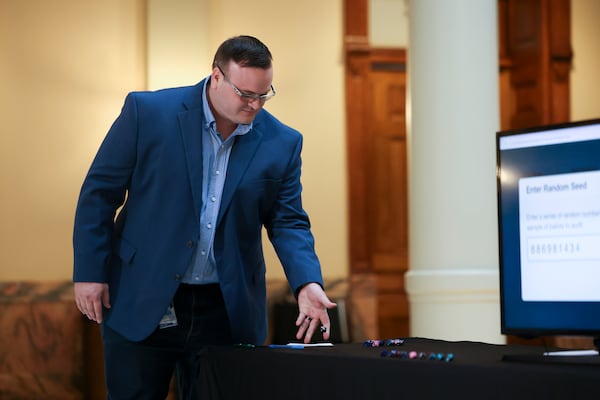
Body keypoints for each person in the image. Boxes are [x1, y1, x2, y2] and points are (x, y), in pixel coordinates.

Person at [73, 35, 337, 399]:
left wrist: (307, 283)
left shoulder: (283, 142)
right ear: (216, 76)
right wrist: (90, 272)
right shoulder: (148, 113)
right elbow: (99, 195)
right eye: (245, 93)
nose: (254, 105)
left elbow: (287, 220)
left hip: (226, 310)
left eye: (263, 94)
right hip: (143, 296)